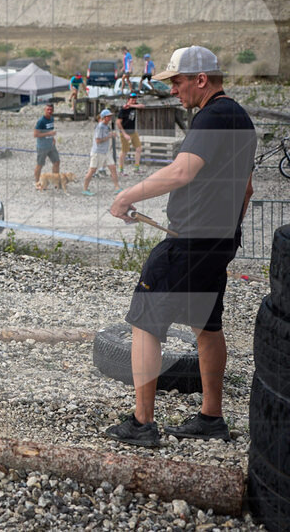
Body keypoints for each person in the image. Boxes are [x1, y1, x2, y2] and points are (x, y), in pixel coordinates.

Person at [106, 46, 255, 448]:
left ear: (201, 79)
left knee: (144, 322)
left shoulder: (213, 115)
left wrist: (126, 195)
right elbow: (247, 188)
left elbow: (182, 170)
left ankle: (142, 423)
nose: (173, 89)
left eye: (177, 81)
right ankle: (211, 417)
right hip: (219, 240)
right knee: (206, 326)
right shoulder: (239, 117)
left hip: (189, 242)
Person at [81, 109, 119, 195]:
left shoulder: (106, 126)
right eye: (108, 116)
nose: (110, 118)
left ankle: (117, 187)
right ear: (104, 117)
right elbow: (98, 140)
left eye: (110, 116)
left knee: (113, 168)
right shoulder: (100, 127)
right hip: (98, 152)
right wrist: (109, 136)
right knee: (92, 170)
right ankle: (85, 189)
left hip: (106, 152)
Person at [33, 103, 60, 189]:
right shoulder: (41, 121)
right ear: (45, 110)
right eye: (48, 109)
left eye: (51, 110)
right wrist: (49, 133)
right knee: (40, 164)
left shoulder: (51, 119)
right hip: (42, 146)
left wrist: (52, 138)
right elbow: (35, 134)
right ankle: (37, 183)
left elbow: (50, 130)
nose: (49, 111)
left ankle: (55, 181)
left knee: (56, 162)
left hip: (51, 145)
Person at [117, 92, 145, 174]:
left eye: (135, 99)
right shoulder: (123, 109)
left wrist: (131, 105)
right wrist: (124, 134)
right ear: (128, 100)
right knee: (124, 151)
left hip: (133, 131)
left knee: (139, 148)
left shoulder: (134, 106)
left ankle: (136, 168)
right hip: (125, 132)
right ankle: (121, 170)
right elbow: (118, 122)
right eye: (132, 99)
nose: (134, 100)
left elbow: (142, 106)